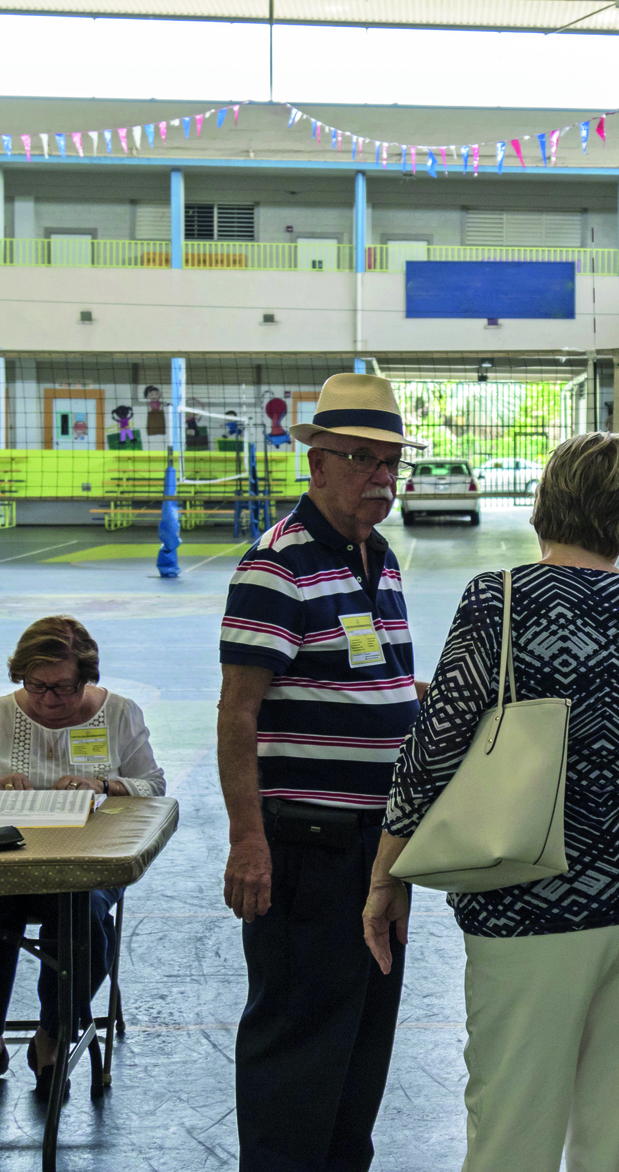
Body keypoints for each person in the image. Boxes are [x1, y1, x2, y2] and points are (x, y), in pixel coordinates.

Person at [364, 430, 619, 1172]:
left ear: (542, 506)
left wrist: (386, 871)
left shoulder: (499, 599)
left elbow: (438, 744)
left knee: (513, 1128)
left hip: (524, 899)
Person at [217, 372, 427, 1172]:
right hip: (305, 854)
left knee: (360, 1057)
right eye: (361, 459)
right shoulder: (277, 567)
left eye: (390, 463)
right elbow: (238, 715)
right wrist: (248, 842)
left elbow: (386, 688)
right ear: (317, 464)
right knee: (295, 1061)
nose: (380, 477)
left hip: (384, 854)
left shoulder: (384, 561)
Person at [0, 615, 166, 1106]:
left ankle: (51, 1034)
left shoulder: (120, 713)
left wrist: (104, 785)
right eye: (36, 686)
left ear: (87, 679)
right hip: (2, 857)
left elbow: (154, 788)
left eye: (63, 688)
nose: (49, 700)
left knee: (79, 914)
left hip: (86, 859)